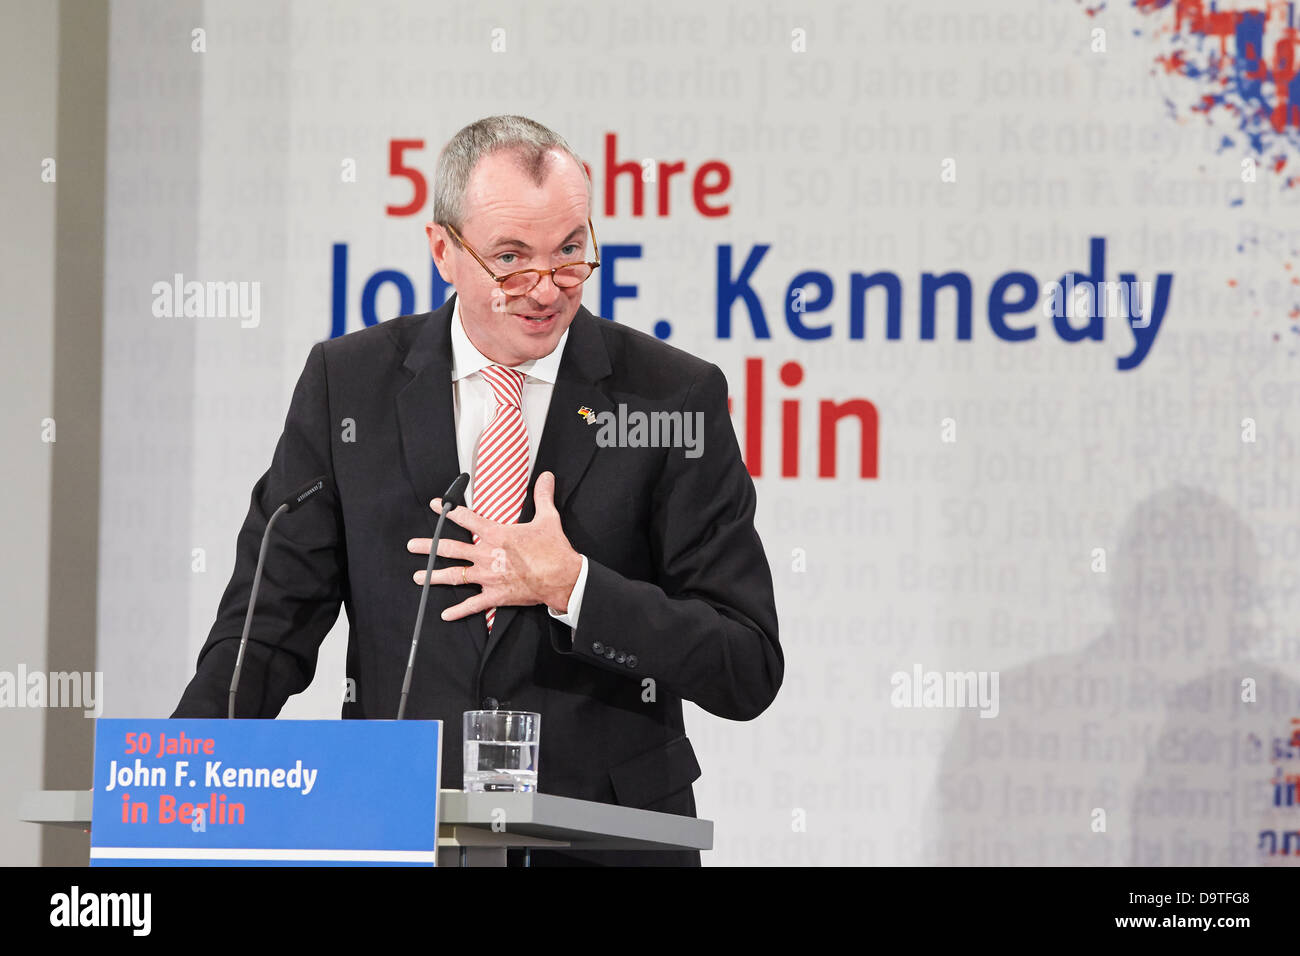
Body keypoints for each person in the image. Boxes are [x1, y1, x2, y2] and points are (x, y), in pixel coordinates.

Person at [172, 115, 783, 866]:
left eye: (570, 252)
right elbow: (266, 626)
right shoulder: (349, 387)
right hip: (401, 830)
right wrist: (179, 781)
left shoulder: (669, 399)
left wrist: (577, 588)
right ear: (443, 251)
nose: (547, 288)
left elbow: (746, 663)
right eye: (511, 260)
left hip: (607, 842)